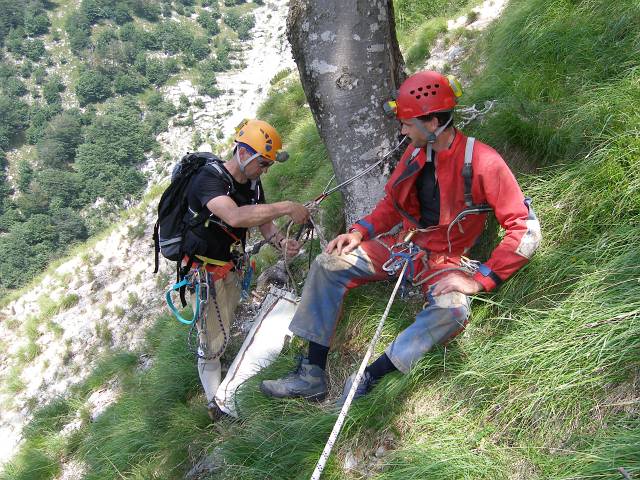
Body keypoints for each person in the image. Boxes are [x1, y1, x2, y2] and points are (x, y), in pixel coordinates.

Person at [260, 70, 542, 404]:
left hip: (445, 261)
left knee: (453, 310)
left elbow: (526, 230)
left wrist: (480, 280)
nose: (402, 130)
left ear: (433, 122)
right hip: (403, 247)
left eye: (408, 123)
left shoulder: (483, 162)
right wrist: (359, 231)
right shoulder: (416, 153)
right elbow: (392, 205)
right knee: (328, 263)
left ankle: (371, 377)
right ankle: (311, 373)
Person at [183, 119, 309, 418]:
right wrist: (287, 206)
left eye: (267, 165)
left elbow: (262, 222)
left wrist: (281, 242)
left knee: (225, 325)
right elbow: (236, 217)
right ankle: (217, 404)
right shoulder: (207, 181)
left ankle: (224, 373)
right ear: (243, 153)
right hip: (205, 275)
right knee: (211, 342)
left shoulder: (252, 183)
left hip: (230, 267)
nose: (265, 170)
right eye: (262, 164)